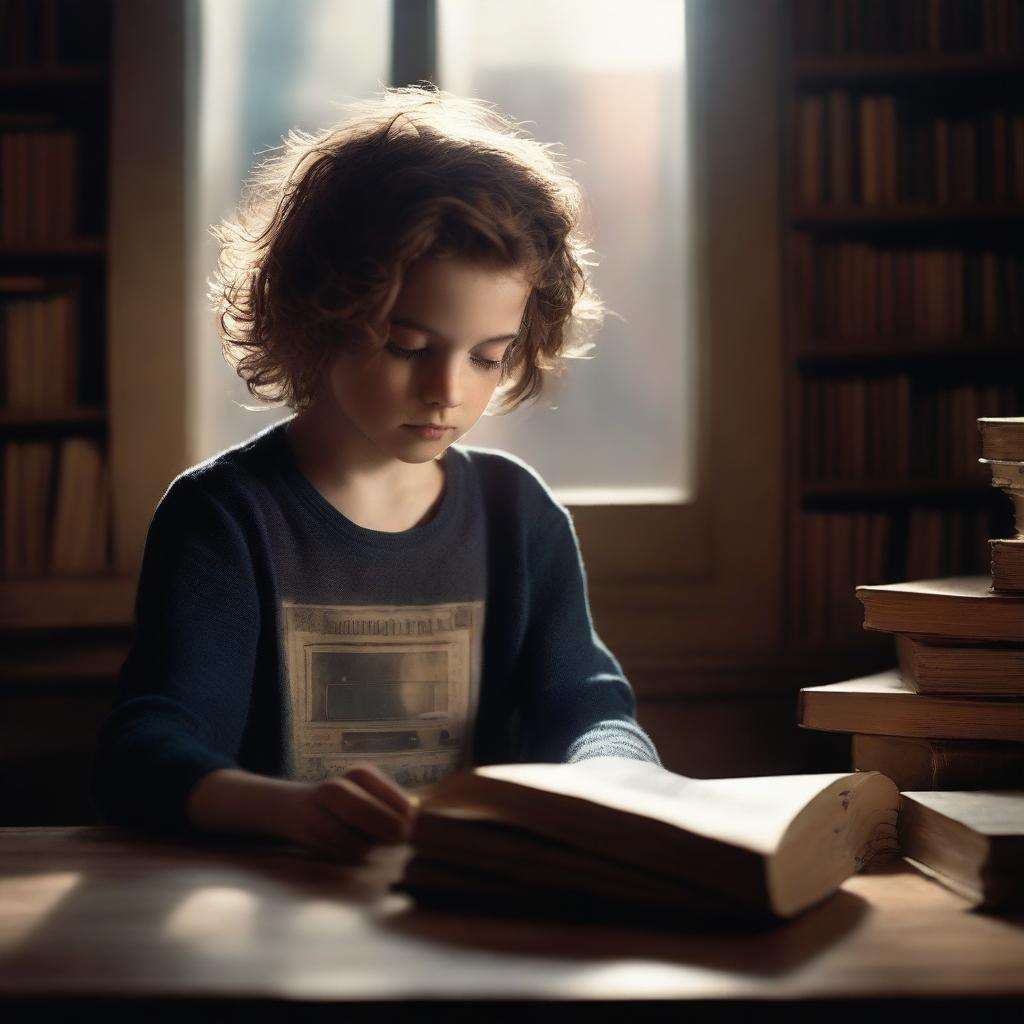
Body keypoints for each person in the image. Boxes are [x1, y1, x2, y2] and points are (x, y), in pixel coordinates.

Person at [91, 84, 661, 865]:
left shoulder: (518, 514)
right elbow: (149, 745)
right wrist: (286, 811)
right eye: (407, 344)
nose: (449, 391)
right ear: (321, 310)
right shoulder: (224, 516)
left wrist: (618, 780)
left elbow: (590, 706)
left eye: (488, 357)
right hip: (266, 913)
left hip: (472, 911)